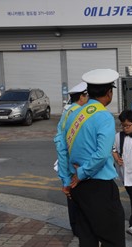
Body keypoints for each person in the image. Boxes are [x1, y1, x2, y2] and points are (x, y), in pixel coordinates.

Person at [56, 69, 132, 247]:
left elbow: (60, 146)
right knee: (113, 240)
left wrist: (68, 180)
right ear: (109, 93)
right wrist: (82, 174)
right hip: (98, 185)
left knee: (87, 238)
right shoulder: (103, 117)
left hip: (78, 187)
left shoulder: (72, 113)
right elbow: (101, 155)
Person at [54, 82, 89, 237]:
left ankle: (76, 230)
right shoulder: (79, 114)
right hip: (78, 168)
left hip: (66, 166)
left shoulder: (66, 112)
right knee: (83, 204)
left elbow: (60, 145)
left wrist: (64, 177)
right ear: (82, 97)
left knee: (72, 201)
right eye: (86, 95)